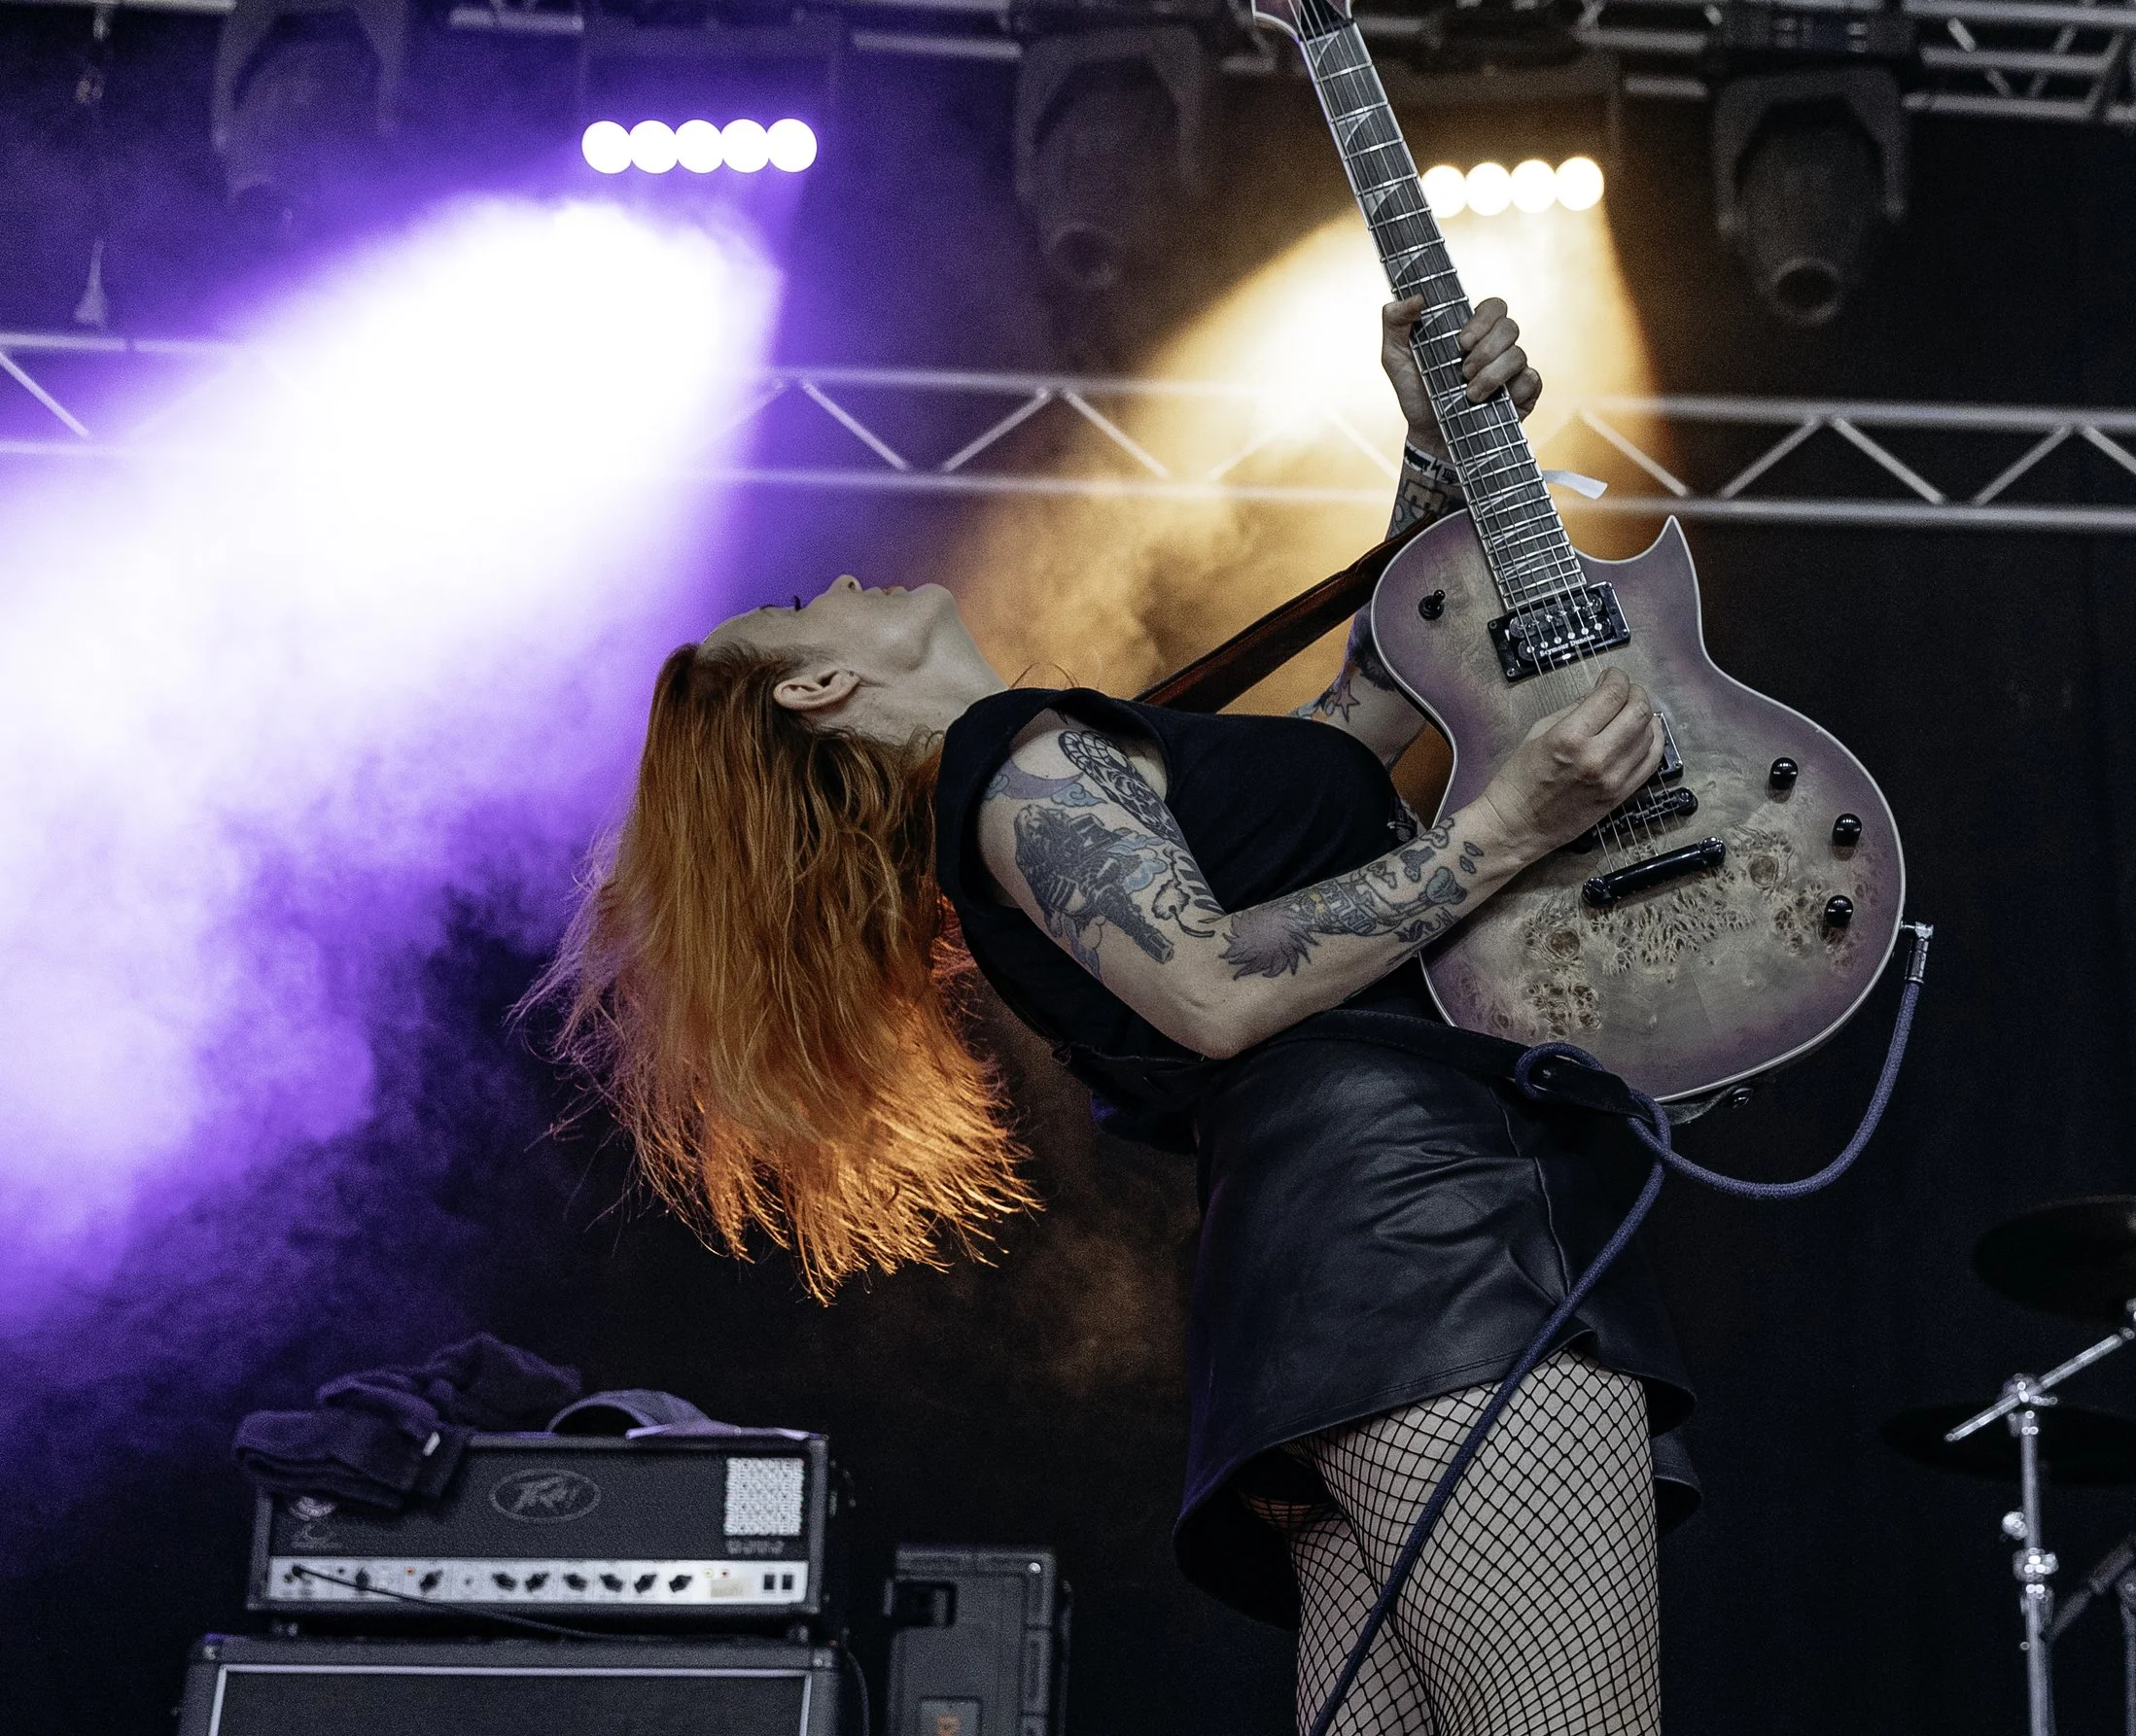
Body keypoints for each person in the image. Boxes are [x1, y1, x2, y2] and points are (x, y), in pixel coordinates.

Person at [538, 297, 1696, 1736]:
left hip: (1332, 1297)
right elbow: (1212, 988)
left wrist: (1431, 459)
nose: (834, 575)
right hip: (1432, 1253)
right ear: (824, 685)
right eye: (796, 609)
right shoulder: (1009, 764)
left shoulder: (1052, 773)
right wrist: (1511, 826)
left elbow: (1361, 734)